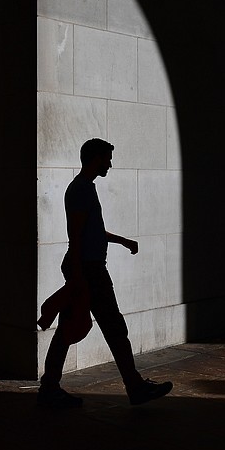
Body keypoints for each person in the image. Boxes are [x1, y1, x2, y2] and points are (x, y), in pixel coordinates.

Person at [38, 138, 173, 408]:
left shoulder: (84, 188)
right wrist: (78, 277)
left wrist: (122, 241)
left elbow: (91, 232)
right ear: (95, 158)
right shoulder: (81, 190)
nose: (110, 164)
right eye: (106, 158)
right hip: (89, 271)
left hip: (86, 269)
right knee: (113, 327)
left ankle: (50, 387)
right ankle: (134, 387)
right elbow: (75, 237)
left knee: (69, 329)